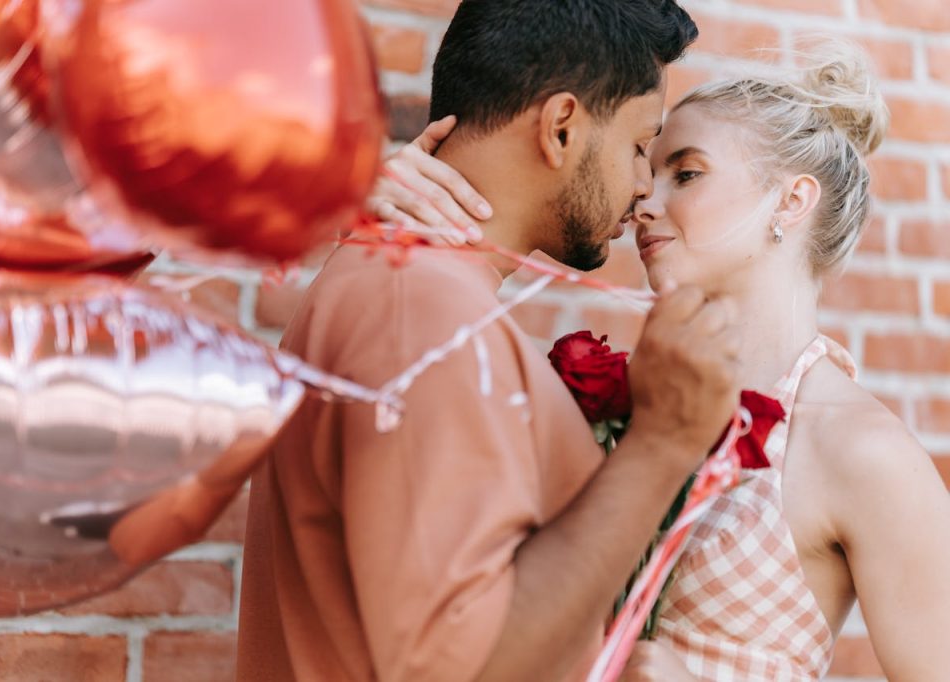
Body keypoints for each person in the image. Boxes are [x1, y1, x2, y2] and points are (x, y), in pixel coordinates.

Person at [378, 39, 950, 681]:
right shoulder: (624, 406)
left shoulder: (863, 452)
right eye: (649, 169)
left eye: (687, 172)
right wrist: (386, 221)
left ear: (791, 201)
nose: (644, 197)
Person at [236, 1, 745, 681]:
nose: (642, 186)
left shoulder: (414, 288)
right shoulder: (418, 306)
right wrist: (662, 443)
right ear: (561, 128)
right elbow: (460, 666)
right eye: (636, 146)